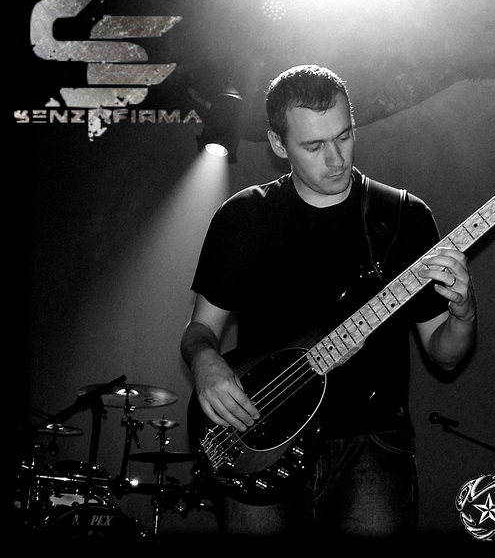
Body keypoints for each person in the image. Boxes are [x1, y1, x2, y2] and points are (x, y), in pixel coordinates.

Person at [181, 64, 477, 538]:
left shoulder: (404, 217)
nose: (336, 159)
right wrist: (204, 363)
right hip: (262, 438)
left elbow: (443, 356)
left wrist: (462, 315)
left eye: (344, 136)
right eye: (314, 146)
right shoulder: (243, 217)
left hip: (372, 444)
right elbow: (200, 331)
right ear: (278, 144)